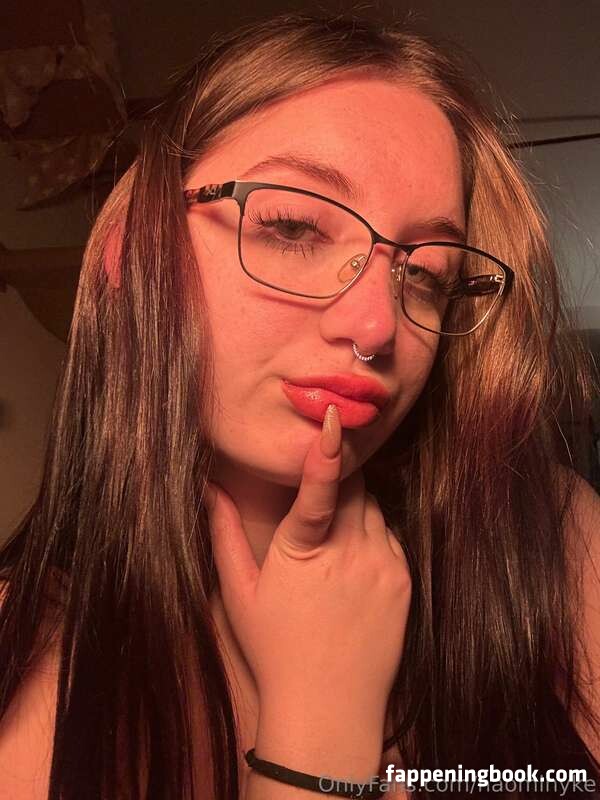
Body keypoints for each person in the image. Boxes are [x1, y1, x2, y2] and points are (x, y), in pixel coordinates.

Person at [0, 11, 599, 800]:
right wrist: (319, 728)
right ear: (128, 252)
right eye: (292, 226)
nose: (376, 326)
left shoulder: (550, 543)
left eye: (426, 275)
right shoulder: (23, 672)